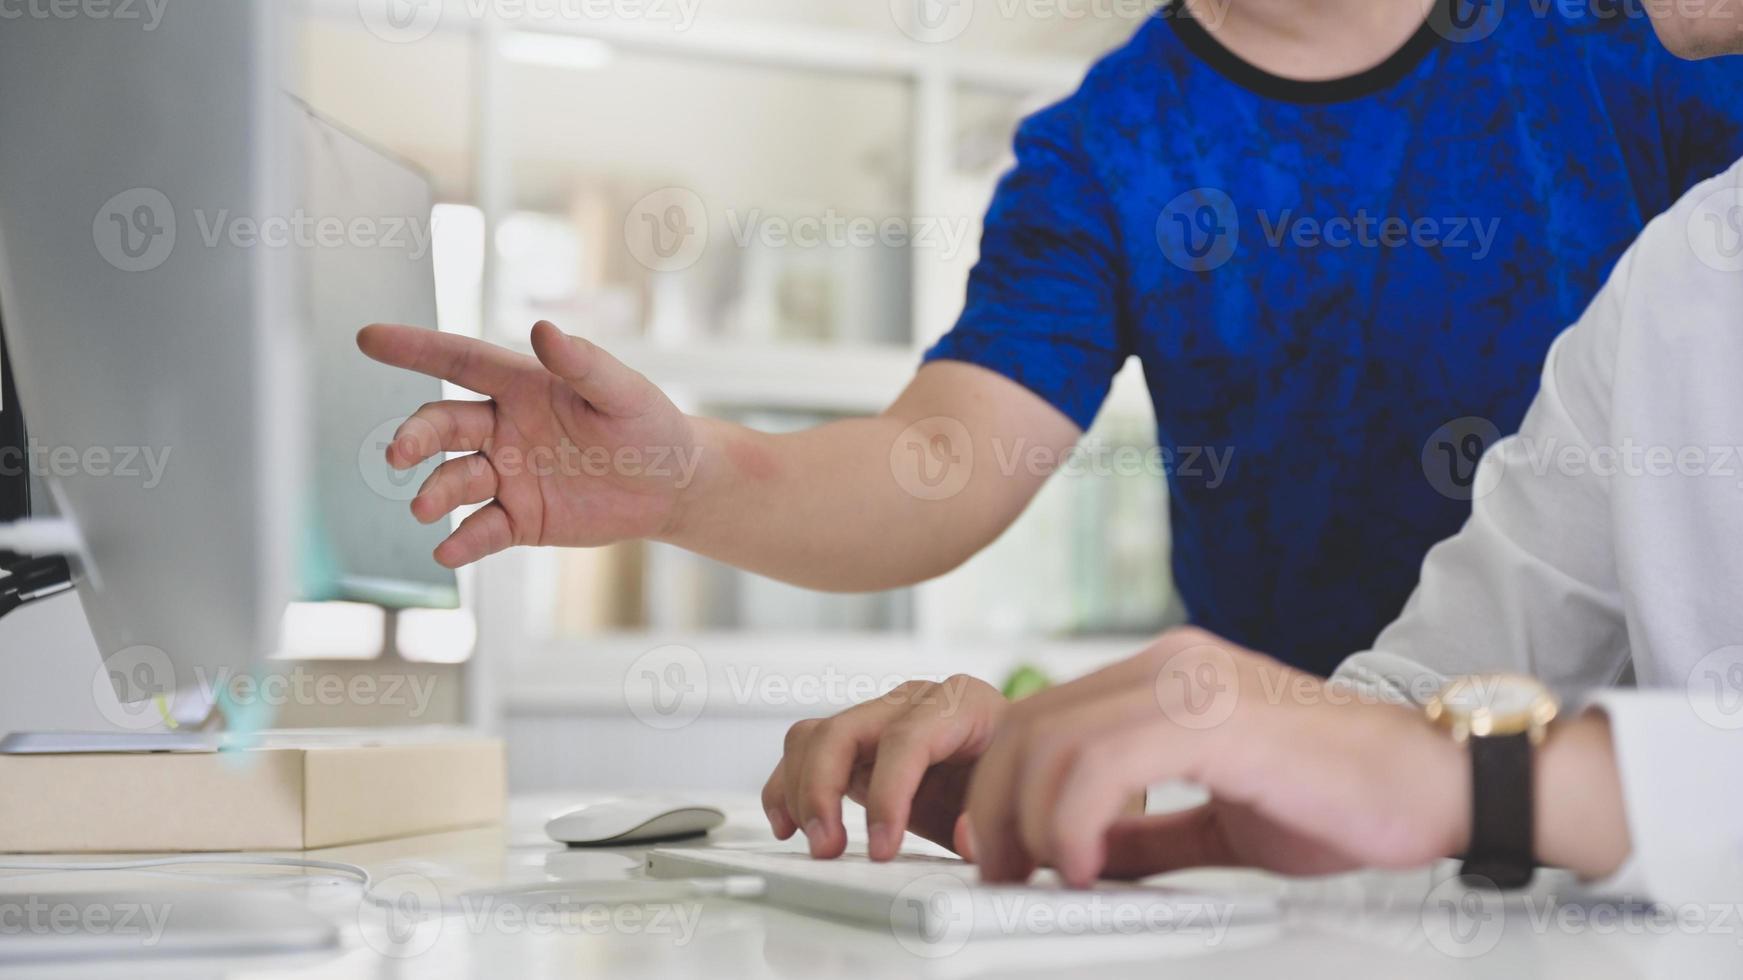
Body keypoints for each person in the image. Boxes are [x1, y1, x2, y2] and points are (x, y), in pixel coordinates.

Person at [357, 0, 1743, 676]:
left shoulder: (1627, 36)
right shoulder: (1105, 149)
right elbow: (939, 460)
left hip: (1647, 757)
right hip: (1296, 780)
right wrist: (693, 481)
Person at [756, 2, 1743, 908]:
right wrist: (1094, 754)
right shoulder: (1672, 277)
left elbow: (1433, 768)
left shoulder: (1600, 60)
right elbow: (1426, 704)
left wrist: (1463, 783)